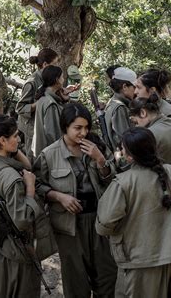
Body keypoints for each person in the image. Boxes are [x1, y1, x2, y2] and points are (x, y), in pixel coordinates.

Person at [96, 127, 171, 298]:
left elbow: (104, 223)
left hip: (138, 264)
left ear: (129, 156)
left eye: (123, 148)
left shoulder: (123, 183)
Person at [34, 102, 117, 298]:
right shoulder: (49, 154)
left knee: (107, 275)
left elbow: (113, 182)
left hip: (98, 221)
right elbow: (37, 185)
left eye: (86, 127)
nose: (83, 133)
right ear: (65, 127)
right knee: (75, 278)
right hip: (68, 225)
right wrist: (58, 196)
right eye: (77, 128)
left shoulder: (95, 148)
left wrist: (100, 160)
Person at [0, 115, 57, 298]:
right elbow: (22, 220)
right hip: (15, 250)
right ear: (2, 140)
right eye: (15, 136)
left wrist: (12, 148)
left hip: (1, 247)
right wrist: (30, 187)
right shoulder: (11, 178)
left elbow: (27, 165)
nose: (19, 139)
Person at [16, 48, 59, 161]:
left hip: (43, 124)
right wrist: (38, 103)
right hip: (31, 128)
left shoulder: (47, 78)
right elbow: (20, 108)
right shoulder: (32, 82)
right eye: (54, 64)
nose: (57, 67)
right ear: (45, 64)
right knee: (33, 158)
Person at [130, 94, 171, 171]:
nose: (136, 126)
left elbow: (138, 170)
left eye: (135, 122)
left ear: (143, 113)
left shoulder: (149, 135)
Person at [31, 65, 66, 158]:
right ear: (56, 79)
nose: (63, 79)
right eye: (62, 77)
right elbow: (52, 135)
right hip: (50, 155)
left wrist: (64, 99)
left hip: (43, 152)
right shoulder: (50, 103)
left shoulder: (44, 97)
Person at [104, 67, 137, 153]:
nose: (136, 91)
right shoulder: (119, 108)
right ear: (125, 87)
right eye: (134, 87)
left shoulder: (115, 102)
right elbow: (125, 140)